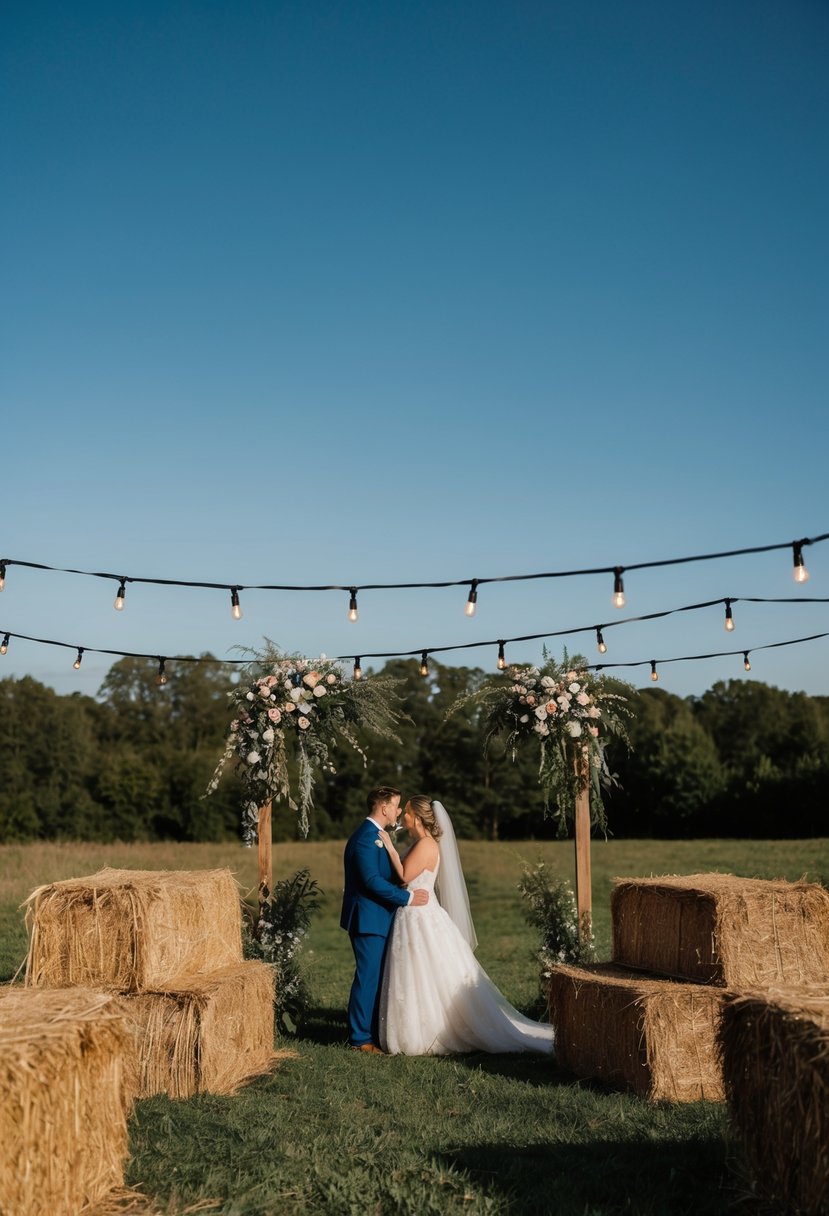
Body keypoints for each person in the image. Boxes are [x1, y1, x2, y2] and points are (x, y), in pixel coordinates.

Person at [377, 795, 555, 1056]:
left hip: (420, 916)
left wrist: (390, 847)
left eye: (406, 812)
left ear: (416, 817)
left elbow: (404, 876)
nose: (402, 816)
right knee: (418, 974)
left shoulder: (426, 844)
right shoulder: (419, 843)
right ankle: (417, 1027)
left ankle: (432, 1031)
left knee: (425, 971)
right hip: (412, 914)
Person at [340, 785, 429, 1053]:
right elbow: (370, 881)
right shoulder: (366, 838)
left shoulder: (375, 835)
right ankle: (359, 1039)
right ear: (384, 808)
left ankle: (372, 1031)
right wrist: (408, 898)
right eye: (396, 806)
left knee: (376, 977)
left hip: (379, 917)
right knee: (368, 978)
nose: (399, 811)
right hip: (368, 918)